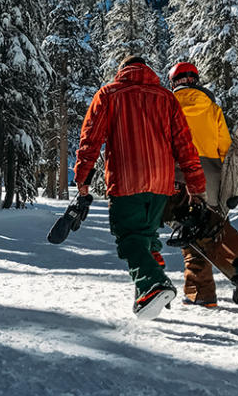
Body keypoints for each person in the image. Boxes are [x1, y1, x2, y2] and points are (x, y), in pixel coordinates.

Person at [75, 56, 206, 319]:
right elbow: (184, 144)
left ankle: (153, 285)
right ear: (147, 71)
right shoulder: (166, 98)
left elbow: (91, 138)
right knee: (145, 236)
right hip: (161, 183)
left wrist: (82, 178)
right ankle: (148, 292)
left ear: (122, 71)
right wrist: (196, 184)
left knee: (129, 239)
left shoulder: (109, 94)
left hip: (126, 180)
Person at [168, 62, 231, 308]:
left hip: (180, 172)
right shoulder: (213, 108)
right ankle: (205, 287)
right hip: (212, 175)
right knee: (209, 229)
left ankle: (201, 293)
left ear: (173, 82)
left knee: (190, 231)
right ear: (195, 80)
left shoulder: (168, 106)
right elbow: (225, 146)